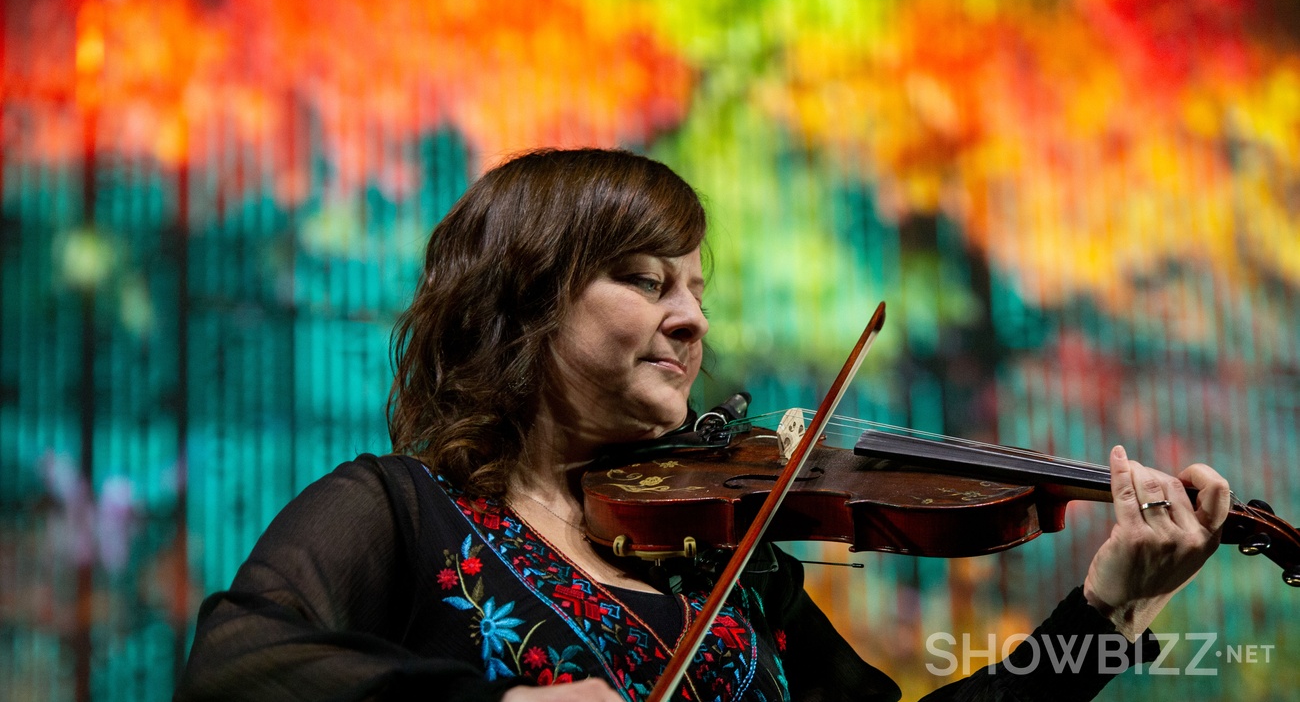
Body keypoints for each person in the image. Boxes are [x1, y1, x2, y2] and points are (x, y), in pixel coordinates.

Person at [175, 148, 1231, 701]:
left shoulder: (730, 569)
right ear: (521, 304)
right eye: (643, 280)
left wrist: (1103, 609)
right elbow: (234, 667)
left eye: (695, 286)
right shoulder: (399, 514)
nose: (691, 317)